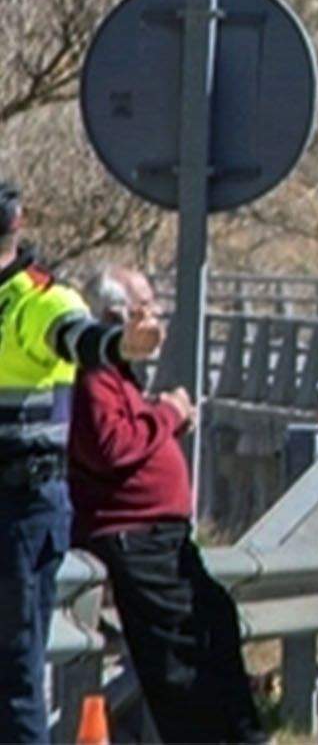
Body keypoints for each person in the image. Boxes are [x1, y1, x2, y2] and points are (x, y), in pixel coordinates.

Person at [69, 268, 266, 744]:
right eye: (148, 308)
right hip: (133, 536)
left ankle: (239, 734)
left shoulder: (121, 375)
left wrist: (157, 413)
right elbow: (111, 447)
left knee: (214, 619)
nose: (156, 318)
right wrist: (169, 413)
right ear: (119, 316)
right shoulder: (96, 373)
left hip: (163, 537)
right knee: (178, 659)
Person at [0, 180, 158, 742]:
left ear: (13, 228)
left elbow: (78, 338)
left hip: (21, 505)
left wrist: (120, 346)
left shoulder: (42, 298)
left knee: (14, 669)